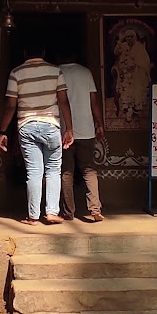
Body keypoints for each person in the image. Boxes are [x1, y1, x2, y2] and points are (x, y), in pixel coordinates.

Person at [0, 45, 74, 225]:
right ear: (44, 53)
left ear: (25, 53)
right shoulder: (55, 71)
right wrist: (69, 129)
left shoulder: (16, 73)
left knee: (34, 172)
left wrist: (3, 131)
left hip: (27, 125)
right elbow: (63, 101)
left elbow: (10, 106)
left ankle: (33, 216)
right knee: (53, 170)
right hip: (51, 125)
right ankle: (52, 212)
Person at [56, 49, 105, 222]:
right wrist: (99, 123)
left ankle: (68, 212)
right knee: (89, 170)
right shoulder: (86, 72)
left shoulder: (56, 72)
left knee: (66, 172)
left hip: (63, 130)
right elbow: (94, 102)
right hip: (86, 129)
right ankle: (95, 209)